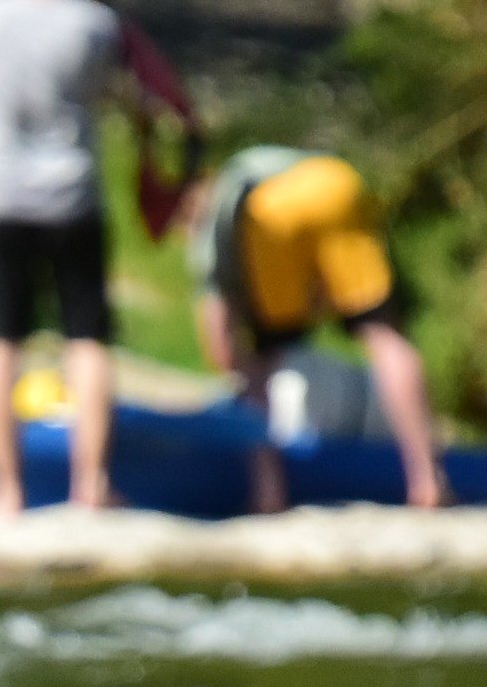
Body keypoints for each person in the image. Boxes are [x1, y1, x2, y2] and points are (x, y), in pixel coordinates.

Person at [0, 0, 186, 515]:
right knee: (88, 339)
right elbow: (118, 101)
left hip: (1, 194)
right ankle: (92, 486)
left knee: (3, 338)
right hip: (75, 195)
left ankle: (5, 492)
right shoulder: (94, 22)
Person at [185, 145, 449, 512]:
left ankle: (269, 493)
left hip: (272, 214)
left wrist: (240, 366)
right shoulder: (253, 162)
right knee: (385, 336)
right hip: (339, 183)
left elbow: (222, 344)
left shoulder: (216, 219)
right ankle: (428, 480)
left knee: (264, 360)